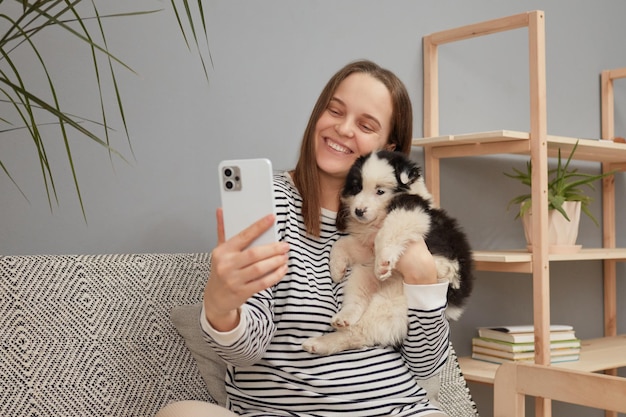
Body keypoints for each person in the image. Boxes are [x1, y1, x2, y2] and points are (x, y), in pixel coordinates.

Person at [158, 60, 450, 416]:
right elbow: (245, 352)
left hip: (396, 409)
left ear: (387, 146)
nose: (342, 129)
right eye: (335, 110)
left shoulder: (405, 215)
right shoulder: (268, 204)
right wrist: (221, 309)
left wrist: (423, 276)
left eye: (364, 124)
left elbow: (425, 365)